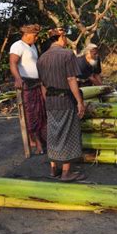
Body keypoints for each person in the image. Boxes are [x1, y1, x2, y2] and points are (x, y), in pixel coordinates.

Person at [37, 27, 86, 182]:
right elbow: (71, 79)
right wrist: (79, 101)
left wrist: (47, 101)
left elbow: (42, 84)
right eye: (65, 37)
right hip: (65, 100)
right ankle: (66, 172)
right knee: (68, 134)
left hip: (50, 101)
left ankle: (53, 170)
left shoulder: (41, 58)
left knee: (53, 134)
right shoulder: (67, 54)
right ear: (60, 37)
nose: (66, 40)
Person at [9, 24, 47, 154]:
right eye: (34, 35)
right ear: (26, 34)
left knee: (40, 112)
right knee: (31, 114)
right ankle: (36, 143)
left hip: (36, 83)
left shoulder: (33, 47)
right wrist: (17, 78)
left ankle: (39, 140)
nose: (36, 38)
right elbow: (13, 63)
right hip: (26, 83)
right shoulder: (17, 45)